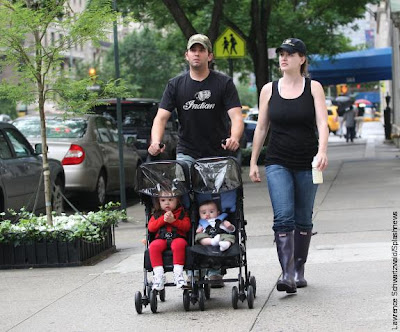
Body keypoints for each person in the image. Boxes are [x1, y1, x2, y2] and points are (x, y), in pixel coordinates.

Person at [148, 33, 244, 286]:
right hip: (187, 154)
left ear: (210, 56)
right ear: (187, 55)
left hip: (217, 155)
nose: (197, 54)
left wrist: (234, 138)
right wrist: (155, 142)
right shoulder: (176, 85)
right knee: (185, 206)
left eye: (202, 50)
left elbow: (236, 117)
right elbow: (161, 118)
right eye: (193, 50)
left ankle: (214, 266)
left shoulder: (223, 83)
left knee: (213, 207)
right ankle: (191, 266)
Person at [249, 38, 328, 294]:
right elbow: (262, 127)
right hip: (277, 162)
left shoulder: (313, 87)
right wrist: (253, 160)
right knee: (284, 217)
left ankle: (298, 269)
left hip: (308, 162)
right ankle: (286, 273)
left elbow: (322, 124)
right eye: (282, 54)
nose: (284, 58)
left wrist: (322, 151)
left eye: (290, 54)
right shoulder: (268, 90)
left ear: (302, 59)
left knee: (303, 219)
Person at [148, 192, 191, 291]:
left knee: (179, 244)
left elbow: (187, 226)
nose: (167, 203)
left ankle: (178, 274)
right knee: (153, 246)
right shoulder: (157, 214)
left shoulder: (182, 213)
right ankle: (159, 275)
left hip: (178, 237)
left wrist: (174, 221)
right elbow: (151, 228)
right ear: (158, 202)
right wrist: (163, 220)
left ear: (177, 200)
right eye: (163, 200)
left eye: (170, 200)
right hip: (161, 238)